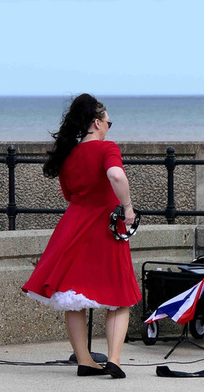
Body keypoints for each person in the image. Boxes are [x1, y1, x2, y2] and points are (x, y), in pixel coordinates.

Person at [22, 93, 141, 378]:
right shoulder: (107, 148)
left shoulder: (68, 155)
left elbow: (69, 195)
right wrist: (128, 208)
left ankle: (85, 360)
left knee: (71, 297)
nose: (110, 127)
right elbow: (116, 176)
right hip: (105, 226)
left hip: (73, 226)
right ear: (98, 123)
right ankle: (113, 359)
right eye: (109, 122)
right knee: (120, 295)